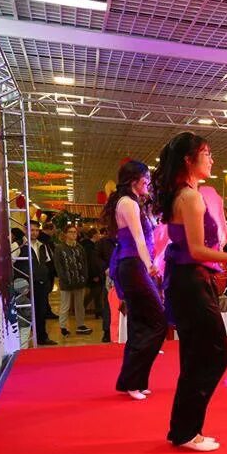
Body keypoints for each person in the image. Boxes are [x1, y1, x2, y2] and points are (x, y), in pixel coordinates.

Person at [155, 131, 227, 452]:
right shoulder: (189, 197)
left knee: (196, 357)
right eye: (207, 153)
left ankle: (185, 430)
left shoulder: (185, 194)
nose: (212, 159)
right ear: (189, 160)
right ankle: (187, 430)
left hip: (190, 280)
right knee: (214, 354)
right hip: (191, 281)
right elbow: (199, 249)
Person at [103, 160, 168, 401]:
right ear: (134, 181)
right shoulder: (128, 203)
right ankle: (133, 379)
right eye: (146, 180)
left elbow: (150, 236)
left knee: (141, 323)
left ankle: (134, 381)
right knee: (157, 321)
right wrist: (150, 265)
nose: (148, 184)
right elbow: (140, 241)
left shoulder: (134, 203)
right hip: (133, 266)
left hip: (135, 265)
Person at [53, 225, 91, 336]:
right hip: (66, 282)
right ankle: (63, 327)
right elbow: (58, 266)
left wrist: (84, 277)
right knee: (65, 305)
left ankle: (81, 325)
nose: (73, 234)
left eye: (75, 232)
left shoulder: (79, 247)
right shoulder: (60, 248)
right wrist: (63, 278)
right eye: (70, 232)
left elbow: (84, 264)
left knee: (80, 305)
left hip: (80, 281)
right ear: (65, 234)